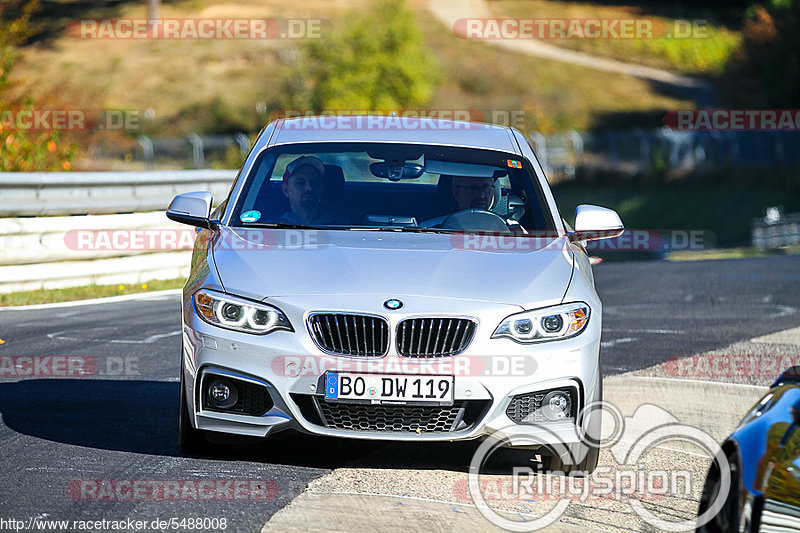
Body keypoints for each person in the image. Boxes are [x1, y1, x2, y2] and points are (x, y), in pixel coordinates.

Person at [279, 155, 342, 225]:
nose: (309, 187)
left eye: (314, 182)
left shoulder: (340, 226)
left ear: (322, 189)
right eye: (300, 182)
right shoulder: (271, 227)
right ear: (286, 190)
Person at [419, 175, 497, 227]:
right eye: (471, 188)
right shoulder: (430, 228)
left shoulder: (506, 227)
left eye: (486, 187)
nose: (481, 195)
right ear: (455, 191)